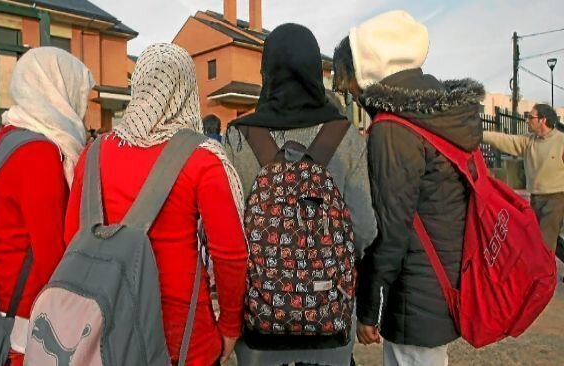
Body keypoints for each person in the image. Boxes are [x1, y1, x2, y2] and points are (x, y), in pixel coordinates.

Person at [63, 43, 248, 366]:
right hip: (183, 338)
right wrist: (230, 325)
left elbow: (71, 238)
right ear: (186, 91)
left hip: (107, 327)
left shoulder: (93, 153)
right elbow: (230, 253)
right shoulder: (202, 159)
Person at [333, 10, 485, 365]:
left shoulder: (394, 130)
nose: (351, 93)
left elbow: (389, 230)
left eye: (349, 80)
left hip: (415, 291)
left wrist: (368, 307)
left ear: (368, 69)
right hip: (443, 274)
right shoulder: (442, 116)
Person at [225, 23, 377, 366]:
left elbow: (227, 236)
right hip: (329, 319)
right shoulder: (345, 135)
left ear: (267, 71)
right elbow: (366, 229)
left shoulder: (239, 137)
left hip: (260, 323)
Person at [0, 47, 95, 366]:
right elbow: (50, 250)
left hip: (5, 284)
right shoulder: (40, 152)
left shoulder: (4, 136)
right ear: (54, 88)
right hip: (31, 306)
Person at [483, 104, 564, 252]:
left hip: (556, 199)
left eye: (530, 117)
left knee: (544, 245)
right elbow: (505, 140)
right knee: (536, 240)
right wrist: (480, 135)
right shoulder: (529, 141)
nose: (527, 120)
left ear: (543, 120)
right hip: (536, 198)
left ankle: (544, 274)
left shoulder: (561, 141)